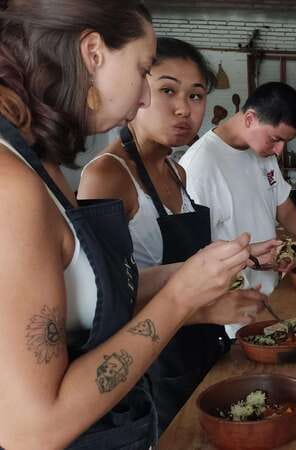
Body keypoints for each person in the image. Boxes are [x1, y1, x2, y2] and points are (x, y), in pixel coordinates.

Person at [0, 1, 276, 447]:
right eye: (144, 71)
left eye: (195, 94)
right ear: (93, 53)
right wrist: (184, 298)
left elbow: (95, 293)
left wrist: (202, 270)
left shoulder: (38, 164)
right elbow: (31, 429)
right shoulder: (9, 184)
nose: (146, 98)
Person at [77, 37, 277, 433]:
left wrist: (242, 255)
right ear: (138, 90)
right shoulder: (107, 176)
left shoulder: (177, 172)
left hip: (201, 352)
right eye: (167, 90)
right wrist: (201, 310)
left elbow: (182, 264)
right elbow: (100, 307)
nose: (184, 108)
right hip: (150, 374)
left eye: (196, 94)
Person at [181, 81, 296, 296]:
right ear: (250, 119)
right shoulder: (200, 165)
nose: (279, 151)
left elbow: (285, 210)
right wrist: (249, 258)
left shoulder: (262, 152)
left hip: (268, 293)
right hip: (231, 305)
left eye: (285, 142)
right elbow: (195, 253)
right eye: (276, 139)